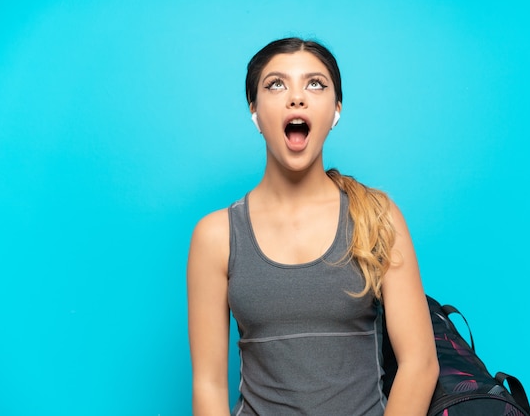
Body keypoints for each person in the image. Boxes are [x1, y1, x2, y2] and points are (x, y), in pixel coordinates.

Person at [187, 37, 439, 415]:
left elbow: (420, 365)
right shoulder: (216, 235)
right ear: (254, 111)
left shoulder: (376, 216)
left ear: (336, 110)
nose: (296, 98)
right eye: (276, 84)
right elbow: (207, 385)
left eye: (315, 84)